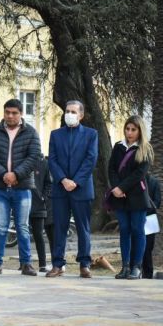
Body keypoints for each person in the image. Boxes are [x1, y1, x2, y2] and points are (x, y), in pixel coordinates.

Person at [0, 98, 40, 276]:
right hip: (0, 187)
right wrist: (3, 174)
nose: (10, 116)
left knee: (22, 226)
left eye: (14, 113)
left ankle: (26, 264)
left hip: (22, 187)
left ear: (21, 114)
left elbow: (34, 156)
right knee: (0, 227)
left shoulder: (30, 132)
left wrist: (16, 174)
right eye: (7, 112)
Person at [47, 100, 98, 278]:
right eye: (67, 111)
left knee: (83, 227)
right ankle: (57, 264)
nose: (69, 114)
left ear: (81, 115)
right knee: (59, 227)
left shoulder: (91, 134)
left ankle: (85, 264)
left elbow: (91, 160)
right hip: (61, 188)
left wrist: (75, 181)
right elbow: (51, 160)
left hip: (81, 188)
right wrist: (62, 179)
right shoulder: (55, 134)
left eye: (74, 112)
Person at [108, 115, 154, 280]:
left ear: (140, 130)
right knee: (124, 230)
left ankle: (136, 266)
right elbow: (111, 169)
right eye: (127, 129)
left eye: (133, 129)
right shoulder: (118, 146)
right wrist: (116, 188)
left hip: (137, 197)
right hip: (119, 196)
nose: (129, 132)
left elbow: (139, 174)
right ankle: (125, 266)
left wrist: (122, 187)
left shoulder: (145, 149)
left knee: (137, 230)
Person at [29, 153, 52, 272]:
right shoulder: (21, 160)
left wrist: (43, 197)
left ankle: (42, 264)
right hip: (22, 202)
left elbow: (49, 183)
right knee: (23, 234)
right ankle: (25, 262)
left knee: (38, 235)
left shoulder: (43, 163)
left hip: (38, 205)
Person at [141, 173, 161, 279]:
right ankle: (140, 270)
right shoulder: (135, 180)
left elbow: (157, 202)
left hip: (150, 218)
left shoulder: (154, 182)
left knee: (148, 247)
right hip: (140, 216)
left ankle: (148, 272)